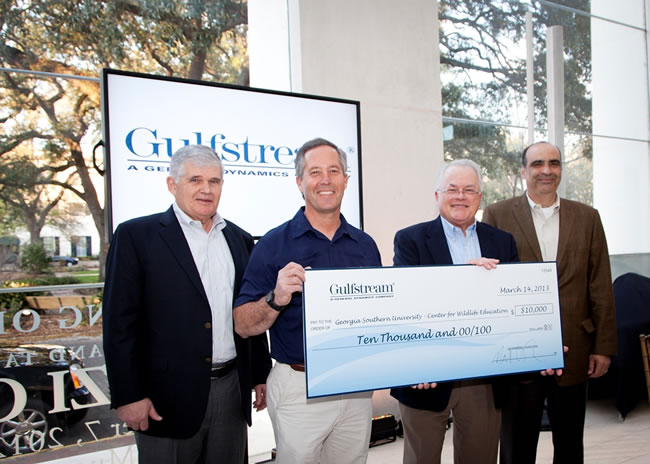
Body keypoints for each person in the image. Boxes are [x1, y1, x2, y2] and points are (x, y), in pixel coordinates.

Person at [103, 144, 272, 464]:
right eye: (195, 180)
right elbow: (119, 325)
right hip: (165, 398)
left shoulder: (239, 239)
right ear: (172, 184)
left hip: (231, 392)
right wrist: (129, 395)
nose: (206, 189)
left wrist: (260, 373)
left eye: (214, 181)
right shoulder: (136, 236)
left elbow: (248, 311)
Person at [233, 137, 382, 464]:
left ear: (346, 180)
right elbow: (242, 325)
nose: (325, 180)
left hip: (356, 385)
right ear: (300, 182)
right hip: (300, 387)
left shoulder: (365, 245)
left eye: (334, 171)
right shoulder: (272, 244)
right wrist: (276, 297)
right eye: (315, 172)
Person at [482, 141, 617, 464]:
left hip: (575, 345)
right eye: (538, 163)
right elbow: (488, 285)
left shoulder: (587, 217)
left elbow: (599, 284)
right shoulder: (497, 214)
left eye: (554, 163)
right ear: (523, 171)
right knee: (516, 442)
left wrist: (603, 346)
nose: (547, 170)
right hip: (518, 351)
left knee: (570, 443)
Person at [389, 159, 519, 464]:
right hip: (426, 372)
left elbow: (512, 308)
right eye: (452, 189)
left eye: (469, 190)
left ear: (479, 198)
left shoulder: (502, 242)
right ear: (437, 196)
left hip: (483, 375)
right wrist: (466, 278)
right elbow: (405, 305)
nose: (460, 196)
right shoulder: (410, 240)